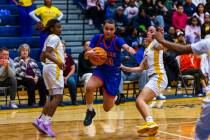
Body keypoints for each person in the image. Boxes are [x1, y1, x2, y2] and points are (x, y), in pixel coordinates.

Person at [154, 30, 210, 140]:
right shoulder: (207, 43)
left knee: (201, 131)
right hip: (186, 71)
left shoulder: (207, 43)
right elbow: (183, 49)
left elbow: (182, 49)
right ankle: (202, 89)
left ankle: (202, 89)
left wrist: (162, 40)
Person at [83, 19, 136, 126]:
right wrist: (89, 53)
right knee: (89, 87)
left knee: (106, 108)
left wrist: (130, 49)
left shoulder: (117, 40)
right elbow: (86, 54)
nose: (108, 31)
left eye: (111, 29)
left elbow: (125, 46)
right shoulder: (97, 38)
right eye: (106, 29)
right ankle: (90, 110)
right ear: (103, 28)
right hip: (101, 71)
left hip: (113, 75)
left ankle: (116, 97)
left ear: (115, 30)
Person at [121, 26, 168, 136]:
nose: (148, 33)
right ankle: (151, 126)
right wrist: (125, 68)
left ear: (156, 34)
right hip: (154, 78)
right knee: (140, 102)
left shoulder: (156, 44)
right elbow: (141, 68)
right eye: (148, 31)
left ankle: (150, 123)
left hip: (159, 76)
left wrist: (162, 37)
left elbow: (165, 47)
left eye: (152, 31)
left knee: (140, 100)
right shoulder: (147, 49)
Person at [32, 19, 65, 137]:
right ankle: (47, 123)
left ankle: (40, 120)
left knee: (52, 97)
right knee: (58, 96)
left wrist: (49, 64)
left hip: (47, 68)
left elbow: (42, 56)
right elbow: (46, 53)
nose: (60, 30)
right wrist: (59, 62)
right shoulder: (55, 38)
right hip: (54, 68)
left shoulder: (48, 39)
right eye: (57, 27)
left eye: (60, 27)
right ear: (52, 28)